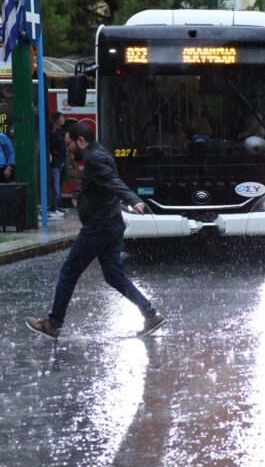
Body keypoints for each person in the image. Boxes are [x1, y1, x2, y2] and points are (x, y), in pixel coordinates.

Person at [25, 122, 166, 340]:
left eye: (69, 144)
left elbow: (112, 181)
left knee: (68, 272)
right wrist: (79, 193)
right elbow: (97, 182)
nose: (68, 149)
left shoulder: (94, 159)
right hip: (111, 225)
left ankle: (53, 324)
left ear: (81, 140)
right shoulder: (99, 153)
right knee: (114, 276)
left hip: (98, 228)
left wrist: (133, 199)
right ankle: (151, 315)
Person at [46, 113, 65, 217]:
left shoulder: (61, 132)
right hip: (55, 162)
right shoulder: (53, 134)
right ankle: (54, 208)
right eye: (62, 117)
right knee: (55, 186)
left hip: (60, 162)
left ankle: (57, 206)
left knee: (58, 185)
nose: (64, 119)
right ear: (57, 120)